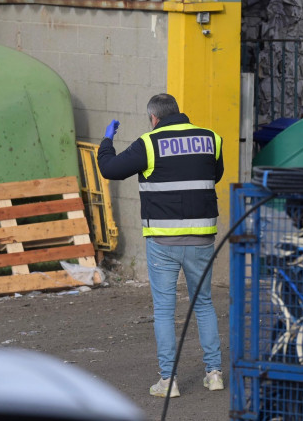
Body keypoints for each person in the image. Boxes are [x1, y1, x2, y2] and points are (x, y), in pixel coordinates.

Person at [97, 93, 225, 398]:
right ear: (179, 113)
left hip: (164, 240)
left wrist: (106, 141)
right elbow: (214, 175)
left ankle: (168, 382)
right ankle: (215, 373)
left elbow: (110, 169)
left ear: (154, 118)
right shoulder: (211, 139)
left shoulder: (149, 142)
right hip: (202, 236)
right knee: (204, 304)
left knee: (165, 311)